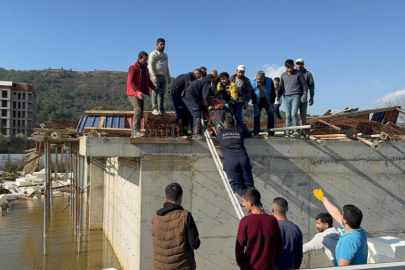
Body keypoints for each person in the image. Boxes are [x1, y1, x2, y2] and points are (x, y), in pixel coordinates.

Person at [313, 189, 368, 266]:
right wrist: (323, 199)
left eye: (342, 214)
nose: (340, 215)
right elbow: (335, 213)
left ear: (345, 221)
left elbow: (343, 267)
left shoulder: (348, 241)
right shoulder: (358, 230)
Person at [151, 183, 200, 270]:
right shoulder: (185, 216)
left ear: (166, 198)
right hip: (182, 267)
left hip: (160, 267)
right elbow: (195, 244)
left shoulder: (155, 216)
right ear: (180, 198)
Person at [236, 188, 283, 270]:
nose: (243, 205)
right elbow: (279, 246)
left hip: (249, 267)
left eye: (244, 202)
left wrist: (242, 264)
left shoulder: (245, 221)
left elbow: (239, 248)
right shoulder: (272, 220)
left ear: (249, 202)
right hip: (268, 266)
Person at [216, 118, 254, 197]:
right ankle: (256, 202)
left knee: (236, 186)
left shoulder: (221, 134)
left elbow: (217, 140)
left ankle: (246, 200)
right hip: (243, 158)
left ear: (224, 125)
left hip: (230, 160)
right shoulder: (239, 133)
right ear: (234, 125)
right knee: (249, 184)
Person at [127, 51, 156, 138]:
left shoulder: (145, 69)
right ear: (139, 59)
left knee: (141, 112)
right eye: (144, 59)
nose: (145, 61)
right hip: (133, 93)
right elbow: (131, 81)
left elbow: (148, 81)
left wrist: (155, 88)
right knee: (138, 110)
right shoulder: (133, 67)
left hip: (141, 93)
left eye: (147, 60)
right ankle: (134, 132)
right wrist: (137, 91)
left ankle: (137, 131)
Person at [277, 59, 308, 138]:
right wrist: (278, 95)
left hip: (296, 95)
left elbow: (304, 84)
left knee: (294, 113)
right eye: (288, 68)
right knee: (287, 115)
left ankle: (296, 131)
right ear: (285, 67)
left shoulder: (298, 73)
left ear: (293, 66)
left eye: (291, 67)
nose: (289, 69)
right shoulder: (283, 75)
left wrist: (304, 94)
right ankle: (287, 132)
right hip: (286, 96)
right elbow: (281, 86)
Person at [272, 197, 303, 270]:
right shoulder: (296, 229)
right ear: (287, 209)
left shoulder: (270, 227)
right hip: (289, 266)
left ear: (273, 209)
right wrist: (296, 267)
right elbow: (299, 254)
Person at [183, 74, 217, 139]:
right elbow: (205, 95)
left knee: (198, 112)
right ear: (211, 79)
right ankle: (197, 133)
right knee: (197, 112)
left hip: (187, 96)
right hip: (190, 97)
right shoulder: (207, 81)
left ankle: (197, 131)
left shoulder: (200, 80)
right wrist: (208, 105)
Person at [170, 69, 202, 136]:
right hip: (175, 94)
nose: (199, 78)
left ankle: (185, 131)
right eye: (199, 76)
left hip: (181, 94)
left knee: (186, 113)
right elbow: (188, 89)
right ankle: (180, 131)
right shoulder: (188, 77)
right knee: (180, 113)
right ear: (196, 73)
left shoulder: (190, 77)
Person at [149, 38, 171, 115]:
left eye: (164, 44)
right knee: (155, 92)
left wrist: (168, 77)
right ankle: (155, 108)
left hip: (163, 76)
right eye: (161, 44)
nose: (162, 46)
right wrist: (153, 75)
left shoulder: (165, 55)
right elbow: (150, 64)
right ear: (157, 44)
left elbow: (166, 66)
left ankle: (161, 109)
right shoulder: (153, 53)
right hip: (156, 75)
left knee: (162, 94)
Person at [251, 70, 276, 136]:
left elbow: (273, 92)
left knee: (271, 115)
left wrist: (272, 103)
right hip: (258, 101)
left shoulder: (270, 81)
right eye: (258, 79)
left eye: (260, 79)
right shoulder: (253, 83)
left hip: (268, 100)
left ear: (264, 78)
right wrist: (254, 104)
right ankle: (256, 132)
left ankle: (271, 133)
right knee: (256, 116)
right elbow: (252, 95)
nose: (259, 80)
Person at [231, 65, 253, 137]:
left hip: (240, 101)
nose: (241, 74)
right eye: (240, 72)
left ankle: (244, 131)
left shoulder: (246, 80)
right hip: (231, 100)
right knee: (230, 116)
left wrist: (247, 101)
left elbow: (249, 91)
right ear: (236, 71)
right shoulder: (231, 78)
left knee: (238, 116)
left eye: (242, 72)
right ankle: (234, 132)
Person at [295, 58, 315, 138]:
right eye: (297, 63)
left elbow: (311, 85)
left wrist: (312, 96)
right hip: (294, 97)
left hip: (304, 96)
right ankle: (295, 132)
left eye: (300, 63)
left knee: (303, 116)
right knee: (293, 115)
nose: (299, 65)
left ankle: (302, 132)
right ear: (295, 64)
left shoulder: (308, 74)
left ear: (303, 64)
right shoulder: (293, 73)